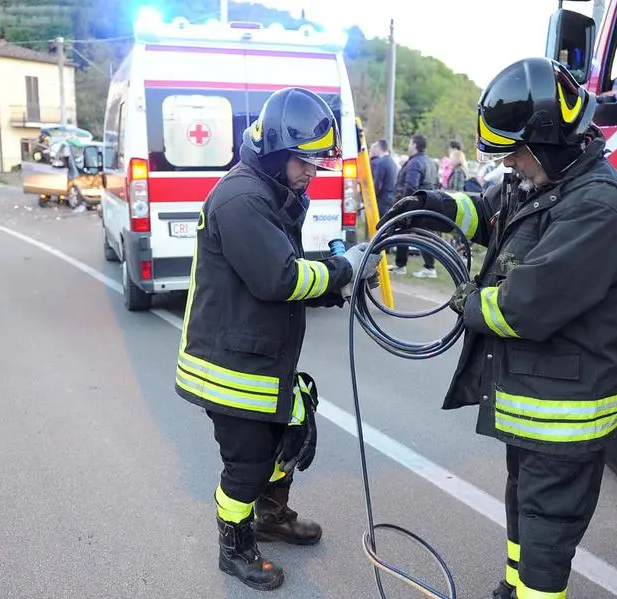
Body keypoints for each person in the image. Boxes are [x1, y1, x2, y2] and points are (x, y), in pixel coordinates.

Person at [378, 57, 617, 599]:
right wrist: (430, 206)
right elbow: (487, 212)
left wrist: (463, 300)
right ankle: (514, 584)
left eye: (516, 153)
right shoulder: (547, 183)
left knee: (547, 532)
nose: (512, 165)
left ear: (548, 141)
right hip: (534, 400)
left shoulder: (599, 210)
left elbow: (525, 307)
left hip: (565, 413)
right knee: (524, 505)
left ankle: (533, 590)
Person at [174, 87, 380, 591]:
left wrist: (335, 285)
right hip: (229, 366)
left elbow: (280, 272)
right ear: (275, 152)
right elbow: (279, 278)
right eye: (304, 162)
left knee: (288, 433)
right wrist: (340, 269)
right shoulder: (242, 198)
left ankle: (272, 515)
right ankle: (235, 547)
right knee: (246, 465)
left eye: (316, 164)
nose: (311, 173)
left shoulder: (272, 194)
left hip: (261, 357)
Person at [388, 133, 439, 278]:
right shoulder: (429, 162)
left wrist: (403, 205)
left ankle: (419, 267)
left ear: (415, 145)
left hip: (414, 205)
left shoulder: (415, 163)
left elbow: (411, 186)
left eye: (410, 143)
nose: (409, 146)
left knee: (407, 234)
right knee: (423, 235)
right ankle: (404, 265)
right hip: (428, 203)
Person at [370, 138, 398, 218]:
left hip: (382, 199)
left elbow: (377, 184)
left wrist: (373, 197)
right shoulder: (392, 162)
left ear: (379, 147)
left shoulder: (381, 163)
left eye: (375, 147)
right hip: (391, 198)